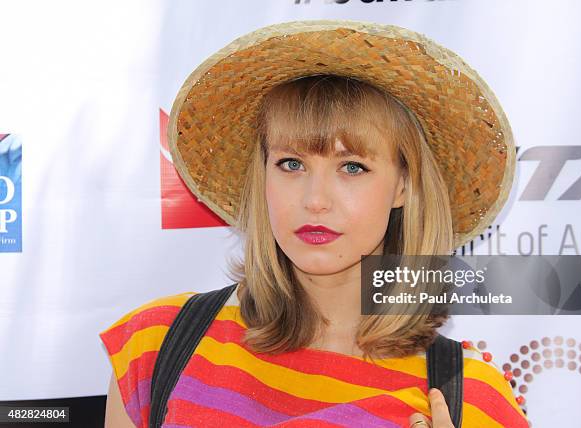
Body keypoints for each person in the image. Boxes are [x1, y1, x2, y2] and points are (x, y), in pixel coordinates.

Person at [100, 20, 529, 427]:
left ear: (403, 185)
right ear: (261, 176)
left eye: (353, 167)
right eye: (291, 163)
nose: (315, 200)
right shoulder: (155, 345)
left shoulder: (470, 398)